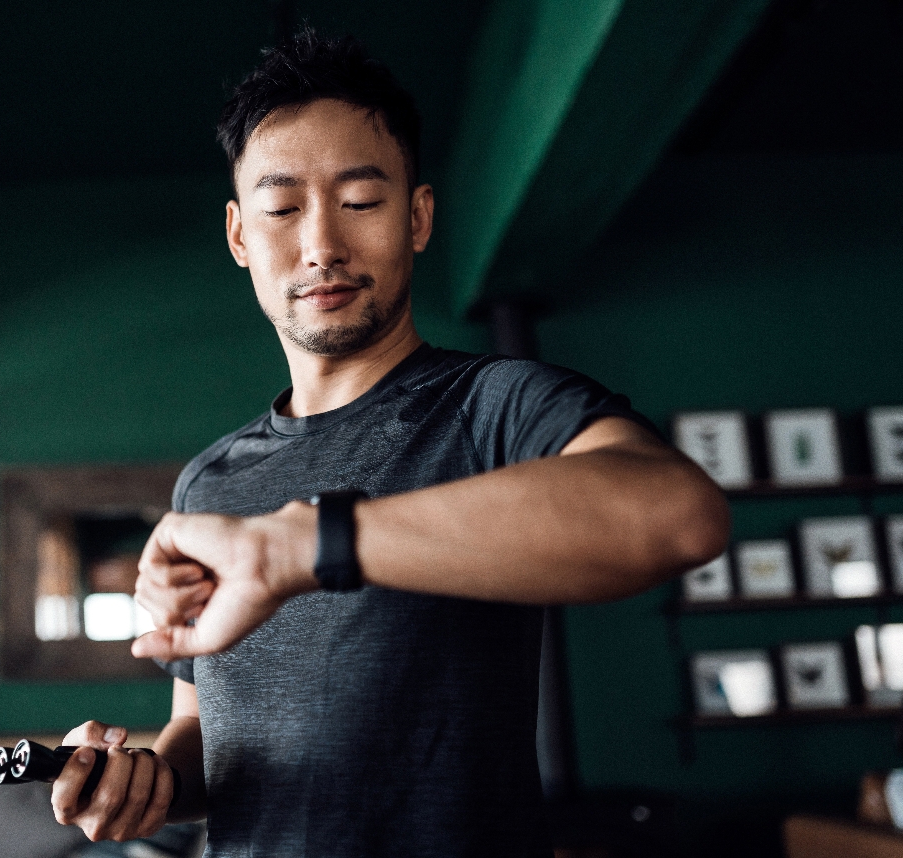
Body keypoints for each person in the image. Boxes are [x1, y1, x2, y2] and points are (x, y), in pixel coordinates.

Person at [50, 30, 729, 857]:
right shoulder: (208, 485)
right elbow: (206, 733)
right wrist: (151, 782)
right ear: (238, 236)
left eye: (362, 201)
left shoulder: (494, 406)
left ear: (417, 216)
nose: (322, 247)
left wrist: (305, 543)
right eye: (282, 209)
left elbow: (677, 515)